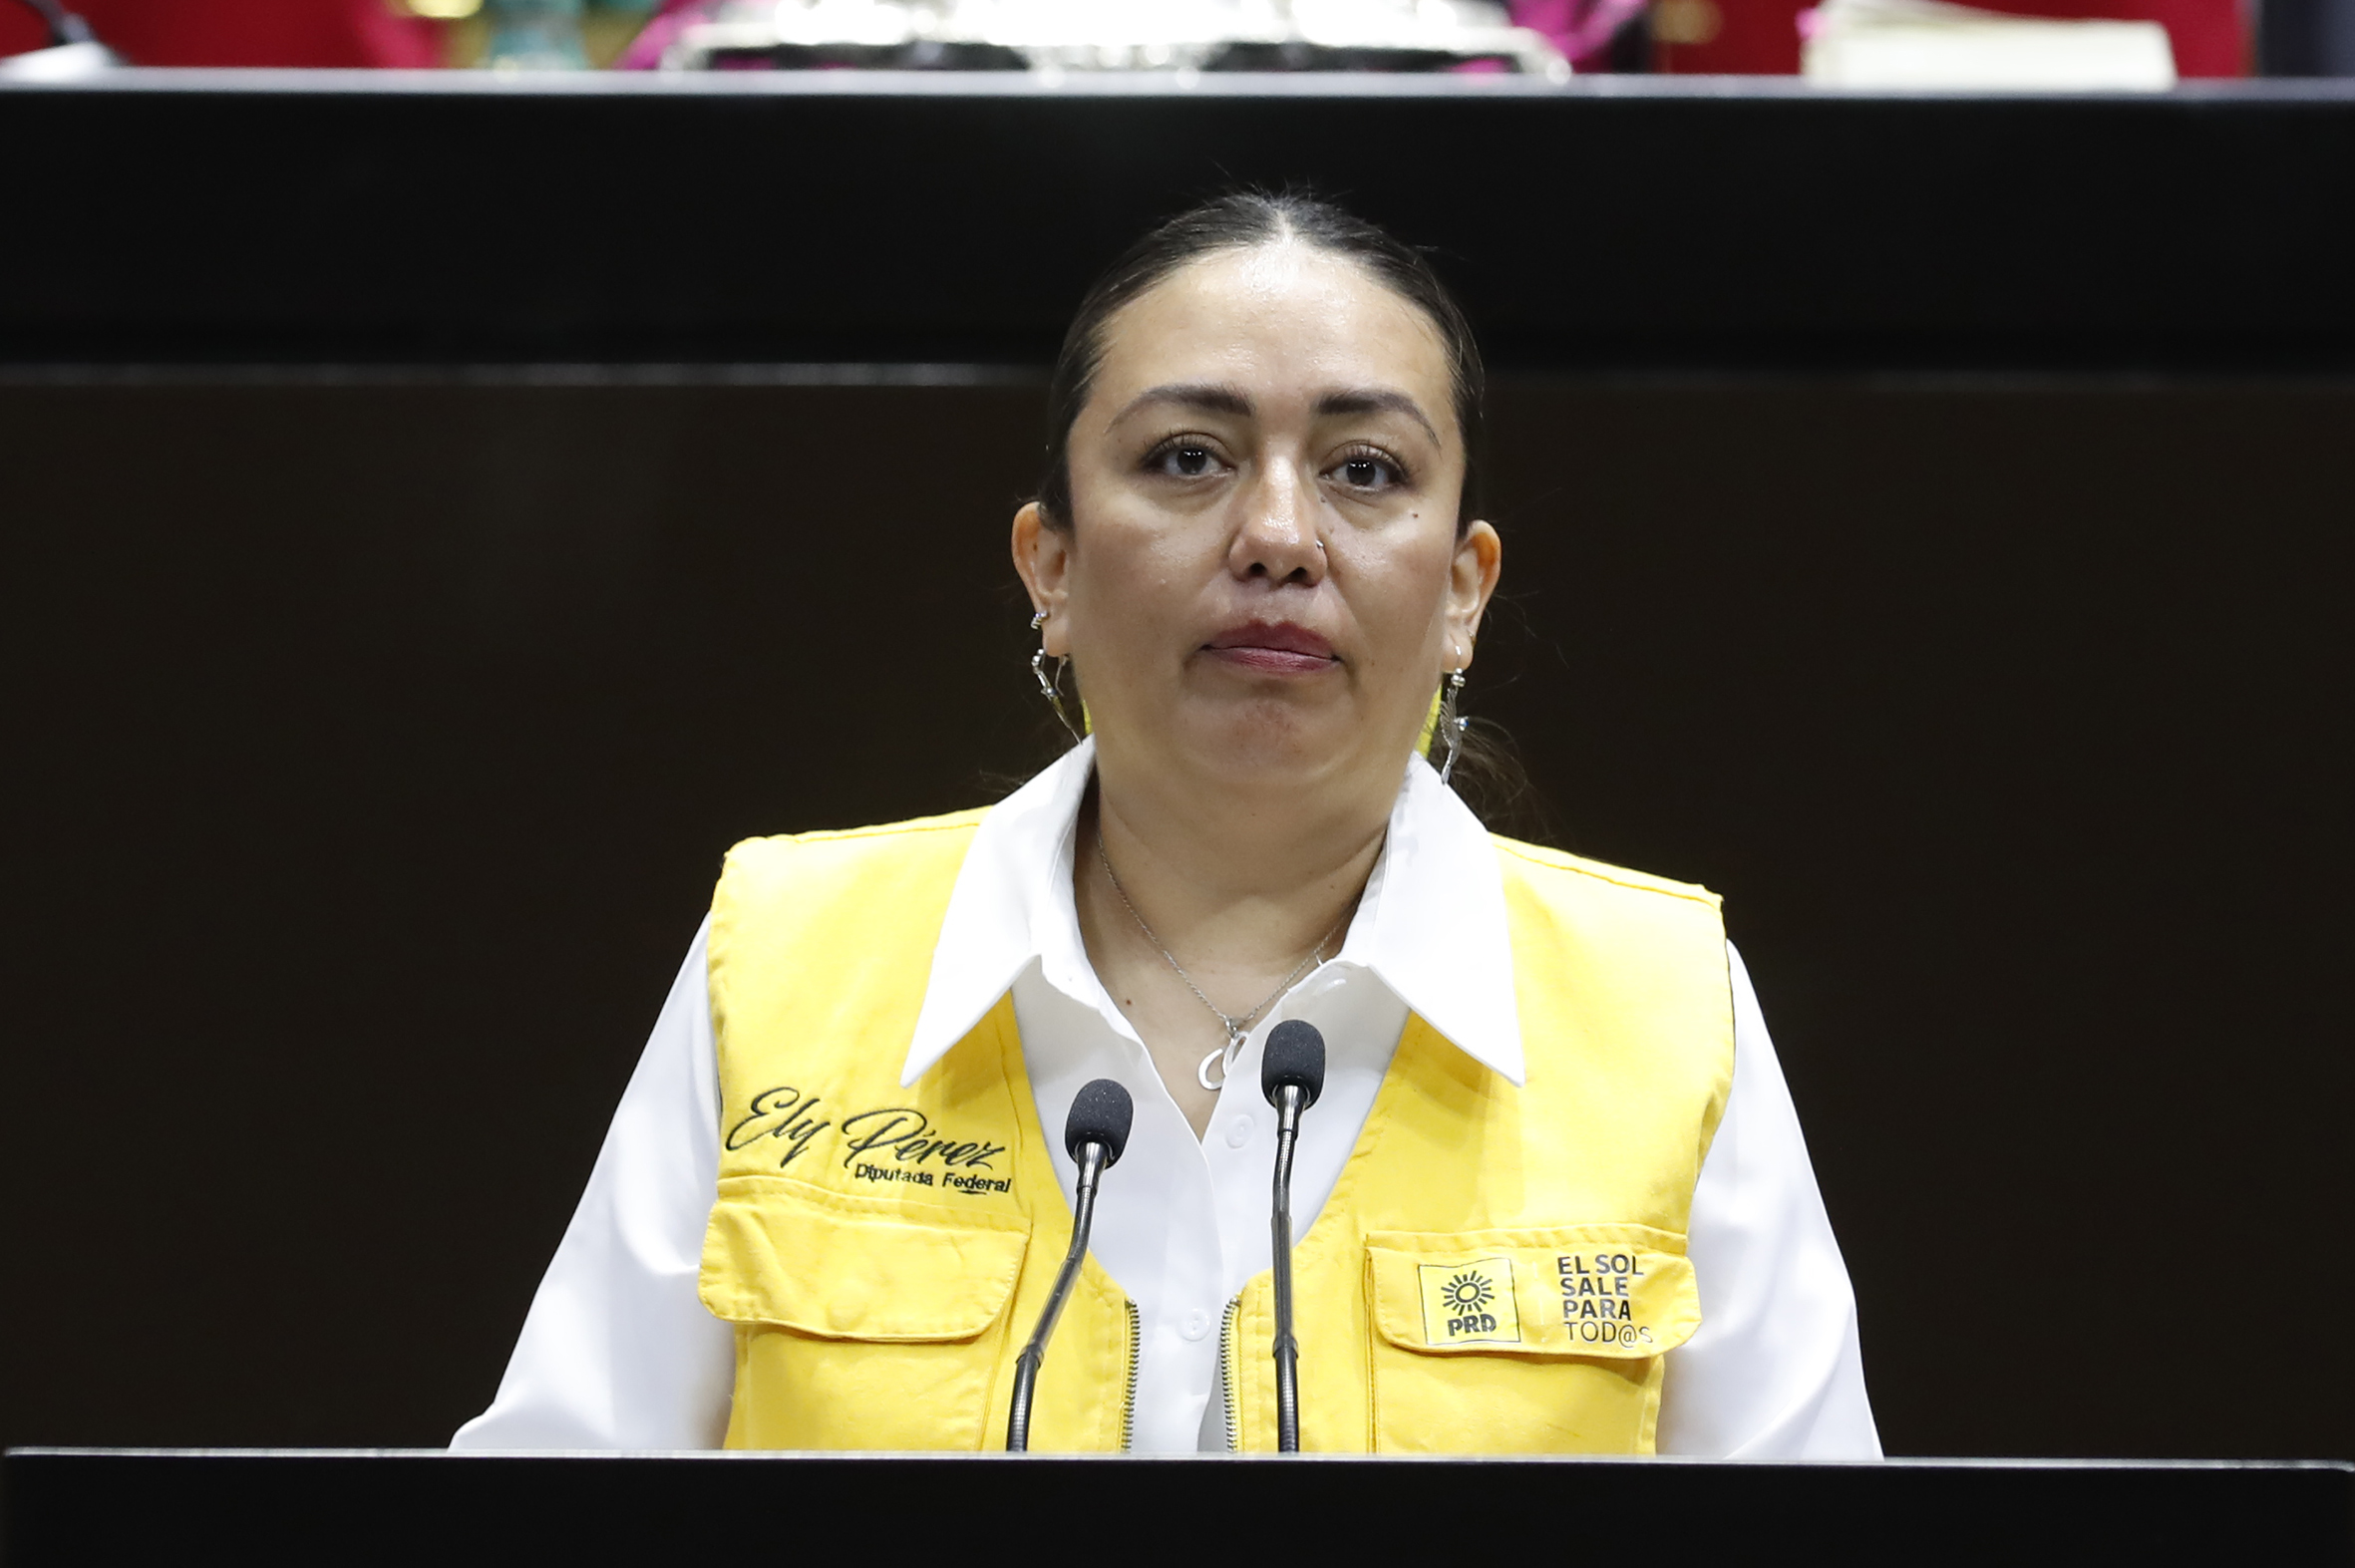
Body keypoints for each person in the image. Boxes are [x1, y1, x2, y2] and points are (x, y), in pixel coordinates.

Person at [451, 191, 1879, 1457]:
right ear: (1051, 567)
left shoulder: (1661, 1006)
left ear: (1463, 591)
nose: (1278, 535)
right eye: (1189, 457)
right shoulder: (784, 962)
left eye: (1365, 470)